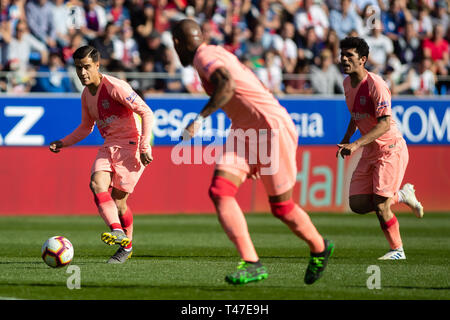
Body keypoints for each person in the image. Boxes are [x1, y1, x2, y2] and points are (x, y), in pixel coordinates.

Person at [172, 19, 334, 285]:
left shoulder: (204, 56)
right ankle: (252, 262)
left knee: (281, 207)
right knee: (220, 190)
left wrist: (199, 119)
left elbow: (227, 85)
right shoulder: (216, 52)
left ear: (178, 43)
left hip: (269, 127)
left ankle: (319, 247)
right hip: (246, 129)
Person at [49, 45, 154, 264]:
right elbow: (86, 128)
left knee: (119, 203)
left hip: (131, 145)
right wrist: (63, 142)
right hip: (109, 145)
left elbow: (146, 111)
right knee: (97, 184)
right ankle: (117, 231)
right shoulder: (86, 94)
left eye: (87, 67)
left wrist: (145, 146)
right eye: (79, 68)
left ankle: (127, 246)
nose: (83, 73)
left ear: (97, 65)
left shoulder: (116, 87)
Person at [337, 37, 424, 260]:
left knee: (380, 204)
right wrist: (346, 138)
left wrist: (356, 144)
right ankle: (402, 195)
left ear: (363, 60)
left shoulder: (376, 85)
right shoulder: (347, 83)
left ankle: (397, 250)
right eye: (343, 55)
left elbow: (385, 123)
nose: (344, 59)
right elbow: (356, 114)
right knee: (357, 204)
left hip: (390, 148)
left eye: (350, 56)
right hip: (370, 150)